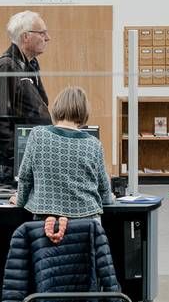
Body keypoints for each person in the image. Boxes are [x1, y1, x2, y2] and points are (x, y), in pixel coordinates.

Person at [12, 86, 114, 240]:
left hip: (47, 223)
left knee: (50, 262)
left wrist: (19, 200)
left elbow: (25, 177)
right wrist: (109, 198)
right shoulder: (93, 144)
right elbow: (104, 189)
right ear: (84, 112)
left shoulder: (37, 135)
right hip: (86, 224)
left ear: (57, 107)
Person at [0, 10, 52, 186]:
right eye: (42, 33)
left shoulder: (30, 65)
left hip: (32, 161)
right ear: (26, 37)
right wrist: (19, 157)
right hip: (15, 167)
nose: (48, 38)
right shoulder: (6, 66)